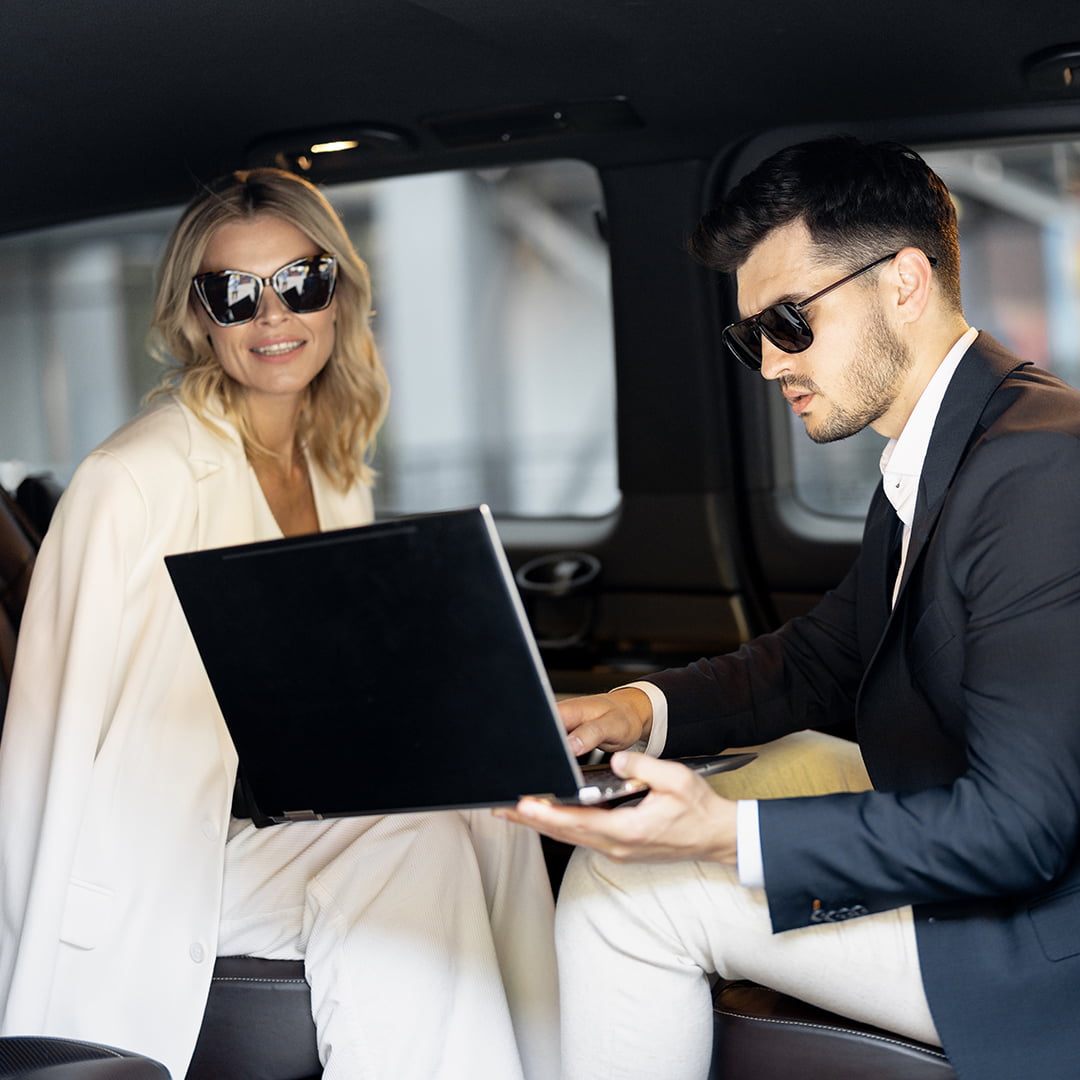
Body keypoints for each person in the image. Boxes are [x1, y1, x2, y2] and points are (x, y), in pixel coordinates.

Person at [497, 135, 1080, 1080]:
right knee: (797, 755)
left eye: (789, 322)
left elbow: (1019, 829)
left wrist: (720, 836)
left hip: (1037, 951)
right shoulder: (949, 438)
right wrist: (635, 711)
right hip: (980, 852)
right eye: (749, 336)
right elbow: (827, 657)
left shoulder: (1035, 471)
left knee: (622, 894)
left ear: (903, 281)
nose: (768, 365)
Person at [0, 168, 559, 1080]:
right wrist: (31, 1001)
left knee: (494, 811)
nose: (273, 318)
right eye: (235, 294)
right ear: (198, 316)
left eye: (300, 283)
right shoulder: (131, 481)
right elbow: (42, 750)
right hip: (152, 864)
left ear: (337, 293)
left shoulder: (335, 467)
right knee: (421, 847)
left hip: (271, 825)